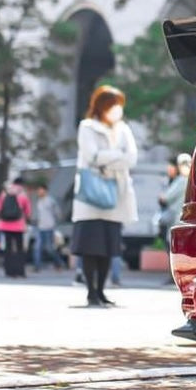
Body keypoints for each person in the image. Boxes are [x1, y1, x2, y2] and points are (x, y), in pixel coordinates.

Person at [73, 84, 138, 308]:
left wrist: (108, 157)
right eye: (114, 105)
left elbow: (132, 158)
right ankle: (91, 292)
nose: (117, 109)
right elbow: (91, 156)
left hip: (116, 195)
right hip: (92, 195)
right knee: (91, 247)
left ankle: (101, 291)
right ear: (102, 106)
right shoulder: (87, 127)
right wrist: (117, 156)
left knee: (109, 248)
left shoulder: (123, 129)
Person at [0, 178, 32, 278]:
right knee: (19, 249)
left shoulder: (4, 194)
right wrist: (26, 219)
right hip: (19, 226)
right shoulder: (22, 195)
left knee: (8, 248)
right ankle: (21, 271)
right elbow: (28, 211)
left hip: (5, 225)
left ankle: (9, 271)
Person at [32, 181, 60, 272]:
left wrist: (55, 223)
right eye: (38, 190)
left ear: (45, 190)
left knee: (49, 248)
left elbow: (57, 213)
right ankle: (37, 266)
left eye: (41, 190)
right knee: (37, 247)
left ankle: (58, 263)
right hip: (40, 227)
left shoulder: (51, 201)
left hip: (49, 227)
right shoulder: (38, 202)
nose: (39, 192)